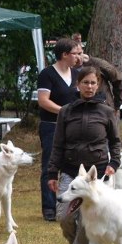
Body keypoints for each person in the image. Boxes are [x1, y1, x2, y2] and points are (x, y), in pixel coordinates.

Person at [47, 66, 121, 244]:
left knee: (89, 220)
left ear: (98, 85)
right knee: (65, 217)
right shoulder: (66, 111)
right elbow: (57, 145)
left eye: (93, 83)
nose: (89, 87)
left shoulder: (106, 112)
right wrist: (52, 173)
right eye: (85, 82)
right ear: (77, 85)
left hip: (97, 175)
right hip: (71, 172)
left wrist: (114, 163)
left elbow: (115, 142)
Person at [36, 37, 83, 221]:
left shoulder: (77, 73)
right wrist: (64, 111)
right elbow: (43, 101)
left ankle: (70, 206)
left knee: (72, 164)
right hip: (52, 126)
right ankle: (49, 208)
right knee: (50, 165)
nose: (78, 57)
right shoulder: (47, 74)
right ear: (64, 55)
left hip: (72, 127)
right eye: (75, 53)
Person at [75, 41, 122, 115]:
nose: (78, 57)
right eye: (75, 54)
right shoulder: (66, 67)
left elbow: (117, 79)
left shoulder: (99, 64)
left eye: (79, 53)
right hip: (78, 110)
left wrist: (117, 105)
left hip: (101, 108)